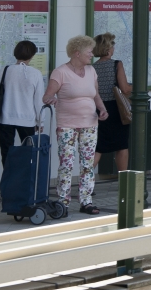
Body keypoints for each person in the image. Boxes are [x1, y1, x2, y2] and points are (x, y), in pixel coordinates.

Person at [43, 35, 107, 215]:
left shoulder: (91, 71)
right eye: (89, 51)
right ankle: (63, 201)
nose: (92, 54)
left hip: (90, 123)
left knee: (87, 164)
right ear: (77, 53)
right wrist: (51, 99)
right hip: (67, 125)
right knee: (67, 163)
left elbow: (95, 94)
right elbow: (47, 96)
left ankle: (86, 201)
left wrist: (102, 109)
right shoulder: (60, 72)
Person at [0, 40, 46, 167]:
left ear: (15, 53)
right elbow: (39, 101)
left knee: (6, 154)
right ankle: (25, 183)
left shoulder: (5, 70)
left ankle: (8, 184)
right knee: (28, 153)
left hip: (5, 118)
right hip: (27, 120)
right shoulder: (35, 73)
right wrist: (41, 122)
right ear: (32, 55)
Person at [92, 33, 132, 174]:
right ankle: (124, 181)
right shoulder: (116, 64)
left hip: (98, 109)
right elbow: (125, 88)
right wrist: (137, 85)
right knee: (121, 146)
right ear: (109, 48)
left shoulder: (92, 68)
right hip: (116, 109)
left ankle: (86, 181)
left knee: (99, 146)